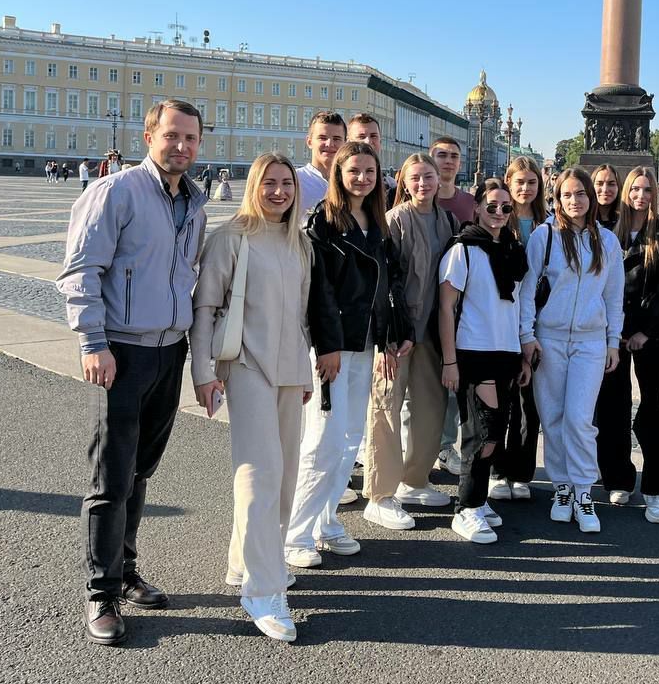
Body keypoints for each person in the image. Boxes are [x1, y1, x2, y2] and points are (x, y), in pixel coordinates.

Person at [56, 100, 207, 646]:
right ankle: (100, 591)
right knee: (111, 477)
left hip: (169, 351)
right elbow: (80, 270)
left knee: (141, 470)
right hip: (120, 351)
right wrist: (93, 343)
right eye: (172, 135)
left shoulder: (195, 201)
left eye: (191, 138)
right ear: (149, 136)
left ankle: (125, 570)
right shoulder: (115, 192)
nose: (182, 146)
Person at [190, 152, 330, 642]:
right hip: (246, 365)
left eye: (286, 183)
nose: (278, 191)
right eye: (269, 182)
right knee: (259, 473)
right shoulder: (231, 237)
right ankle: (263, 590)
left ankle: (243, 561)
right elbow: (205, 308)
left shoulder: (299, 242)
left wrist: (305, 372)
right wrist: (203, 373)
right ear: (253, 185)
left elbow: (302, 315)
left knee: (286, 476)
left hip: (289, 369)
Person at [284, 142, 411, 567]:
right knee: (322, 440)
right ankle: (295, 533)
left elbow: (388, 285)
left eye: (369, 171)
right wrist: (327, 346)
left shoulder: (377, 223)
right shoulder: (323, 222)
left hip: (366, 343)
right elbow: (318, 292)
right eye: (354, 171)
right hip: (335, 347)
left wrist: (391, 336)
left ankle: (325, 520)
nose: (362, 178)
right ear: (338, 174)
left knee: (350, 438)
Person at [518, 167, 624, 534]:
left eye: (580, 194)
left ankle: (583, 491)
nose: (574, 201)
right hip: (549, 339)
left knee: (579, 419)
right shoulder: (544, 236)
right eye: (567, 195)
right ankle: (561, 488)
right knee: (553, 417)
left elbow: (614, 297)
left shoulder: (607, 241)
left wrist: (613, 341)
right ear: (557, 199)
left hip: (590, 341)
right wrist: (526, 336)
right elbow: (527, 291)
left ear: (590, 198)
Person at [361, 153, 458, 530]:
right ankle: (380, 494)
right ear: (403, 181)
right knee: (386, 409)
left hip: (433, 331)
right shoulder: (395, 219)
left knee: (431, 409)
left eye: (428, 177)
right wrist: (385, 337)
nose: (422, 184)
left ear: (438, 180)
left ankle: (414, 480)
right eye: (415, 177)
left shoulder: (447, 221)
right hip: (397, 333)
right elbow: (382, 280)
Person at [438, 179, 530, 542]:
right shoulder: (463, 249)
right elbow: (446, 308)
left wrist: (523, 353)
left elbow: (517, 306)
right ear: (477, 208)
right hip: (474, 351)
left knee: (498, 430)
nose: (498, 213)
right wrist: (449, 361)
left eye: (506, 207)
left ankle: (477, 498)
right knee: (483, 433)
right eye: (491, 206)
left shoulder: (512, 249)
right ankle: (467, 507)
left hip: (506, 351)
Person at [598, 165, 659, 523]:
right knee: (612, 408)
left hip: (649, 334)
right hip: (612, 333)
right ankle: (618, 478)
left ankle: (655, 485)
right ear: (626, 191)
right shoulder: (607, 230)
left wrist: (645, 331)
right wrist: (612, 330)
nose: (641, 196)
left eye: (648, 190)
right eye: (635, 189)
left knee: (652, 409)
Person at [490, 156, 547, 502]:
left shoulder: (549, 223)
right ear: (508, 183)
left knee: (529, 402)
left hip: (538, 319)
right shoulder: (497, 219)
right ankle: (497, 470)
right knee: (500, 398)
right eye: (519, 182)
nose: (525, 189)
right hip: (502, 318)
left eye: (531, 182)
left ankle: (522, 472)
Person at [429, 134, 475, 472]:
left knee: (451, 380)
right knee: (417, 385)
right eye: (441, 155)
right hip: (421, 301)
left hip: (458, 303)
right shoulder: (418, 196)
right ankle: (415, 448)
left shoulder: (469, 203)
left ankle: (445, 446)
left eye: (453, 156)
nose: (447, 161)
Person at [297, 111, 346, 213]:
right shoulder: (295, 180)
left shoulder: (351, 182)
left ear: (345, 143)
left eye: (336, 139)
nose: (329, 144)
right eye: (322, 138)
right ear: (309, 142)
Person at [348, 113, 397, 206]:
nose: (368, 141)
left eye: (373, 136)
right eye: (361, 137)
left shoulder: (392, 187)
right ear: (349, 142)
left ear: (380, 141)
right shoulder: (338, 182)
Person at [431, 135, 475, 224]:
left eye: (454, 156)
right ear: (431, 161)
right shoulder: (420, 202)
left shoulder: (471, 202)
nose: (449, 161)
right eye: (442, 155)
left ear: (460, 164)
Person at [590, 164, 621, 230]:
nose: (605, 190)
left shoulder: (625, 220)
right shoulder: (583, 219)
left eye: (611, 184)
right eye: (599, 184)